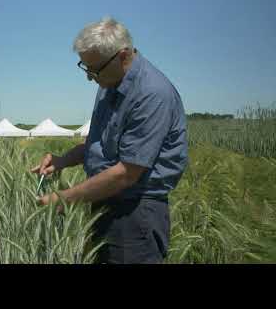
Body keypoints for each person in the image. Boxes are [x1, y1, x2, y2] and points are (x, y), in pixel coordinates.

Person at [30, 17, 188, 264]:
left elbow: (126, 173)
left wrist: (65, 198)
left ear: (123, 56)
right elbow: (99, 145)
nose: (89, 78)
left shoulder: (152, 93)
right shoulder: (109, 83)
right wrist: (63, 160)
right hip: (104, 204)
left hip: (135, 216)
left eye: (94, 70)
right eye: (85, 67)